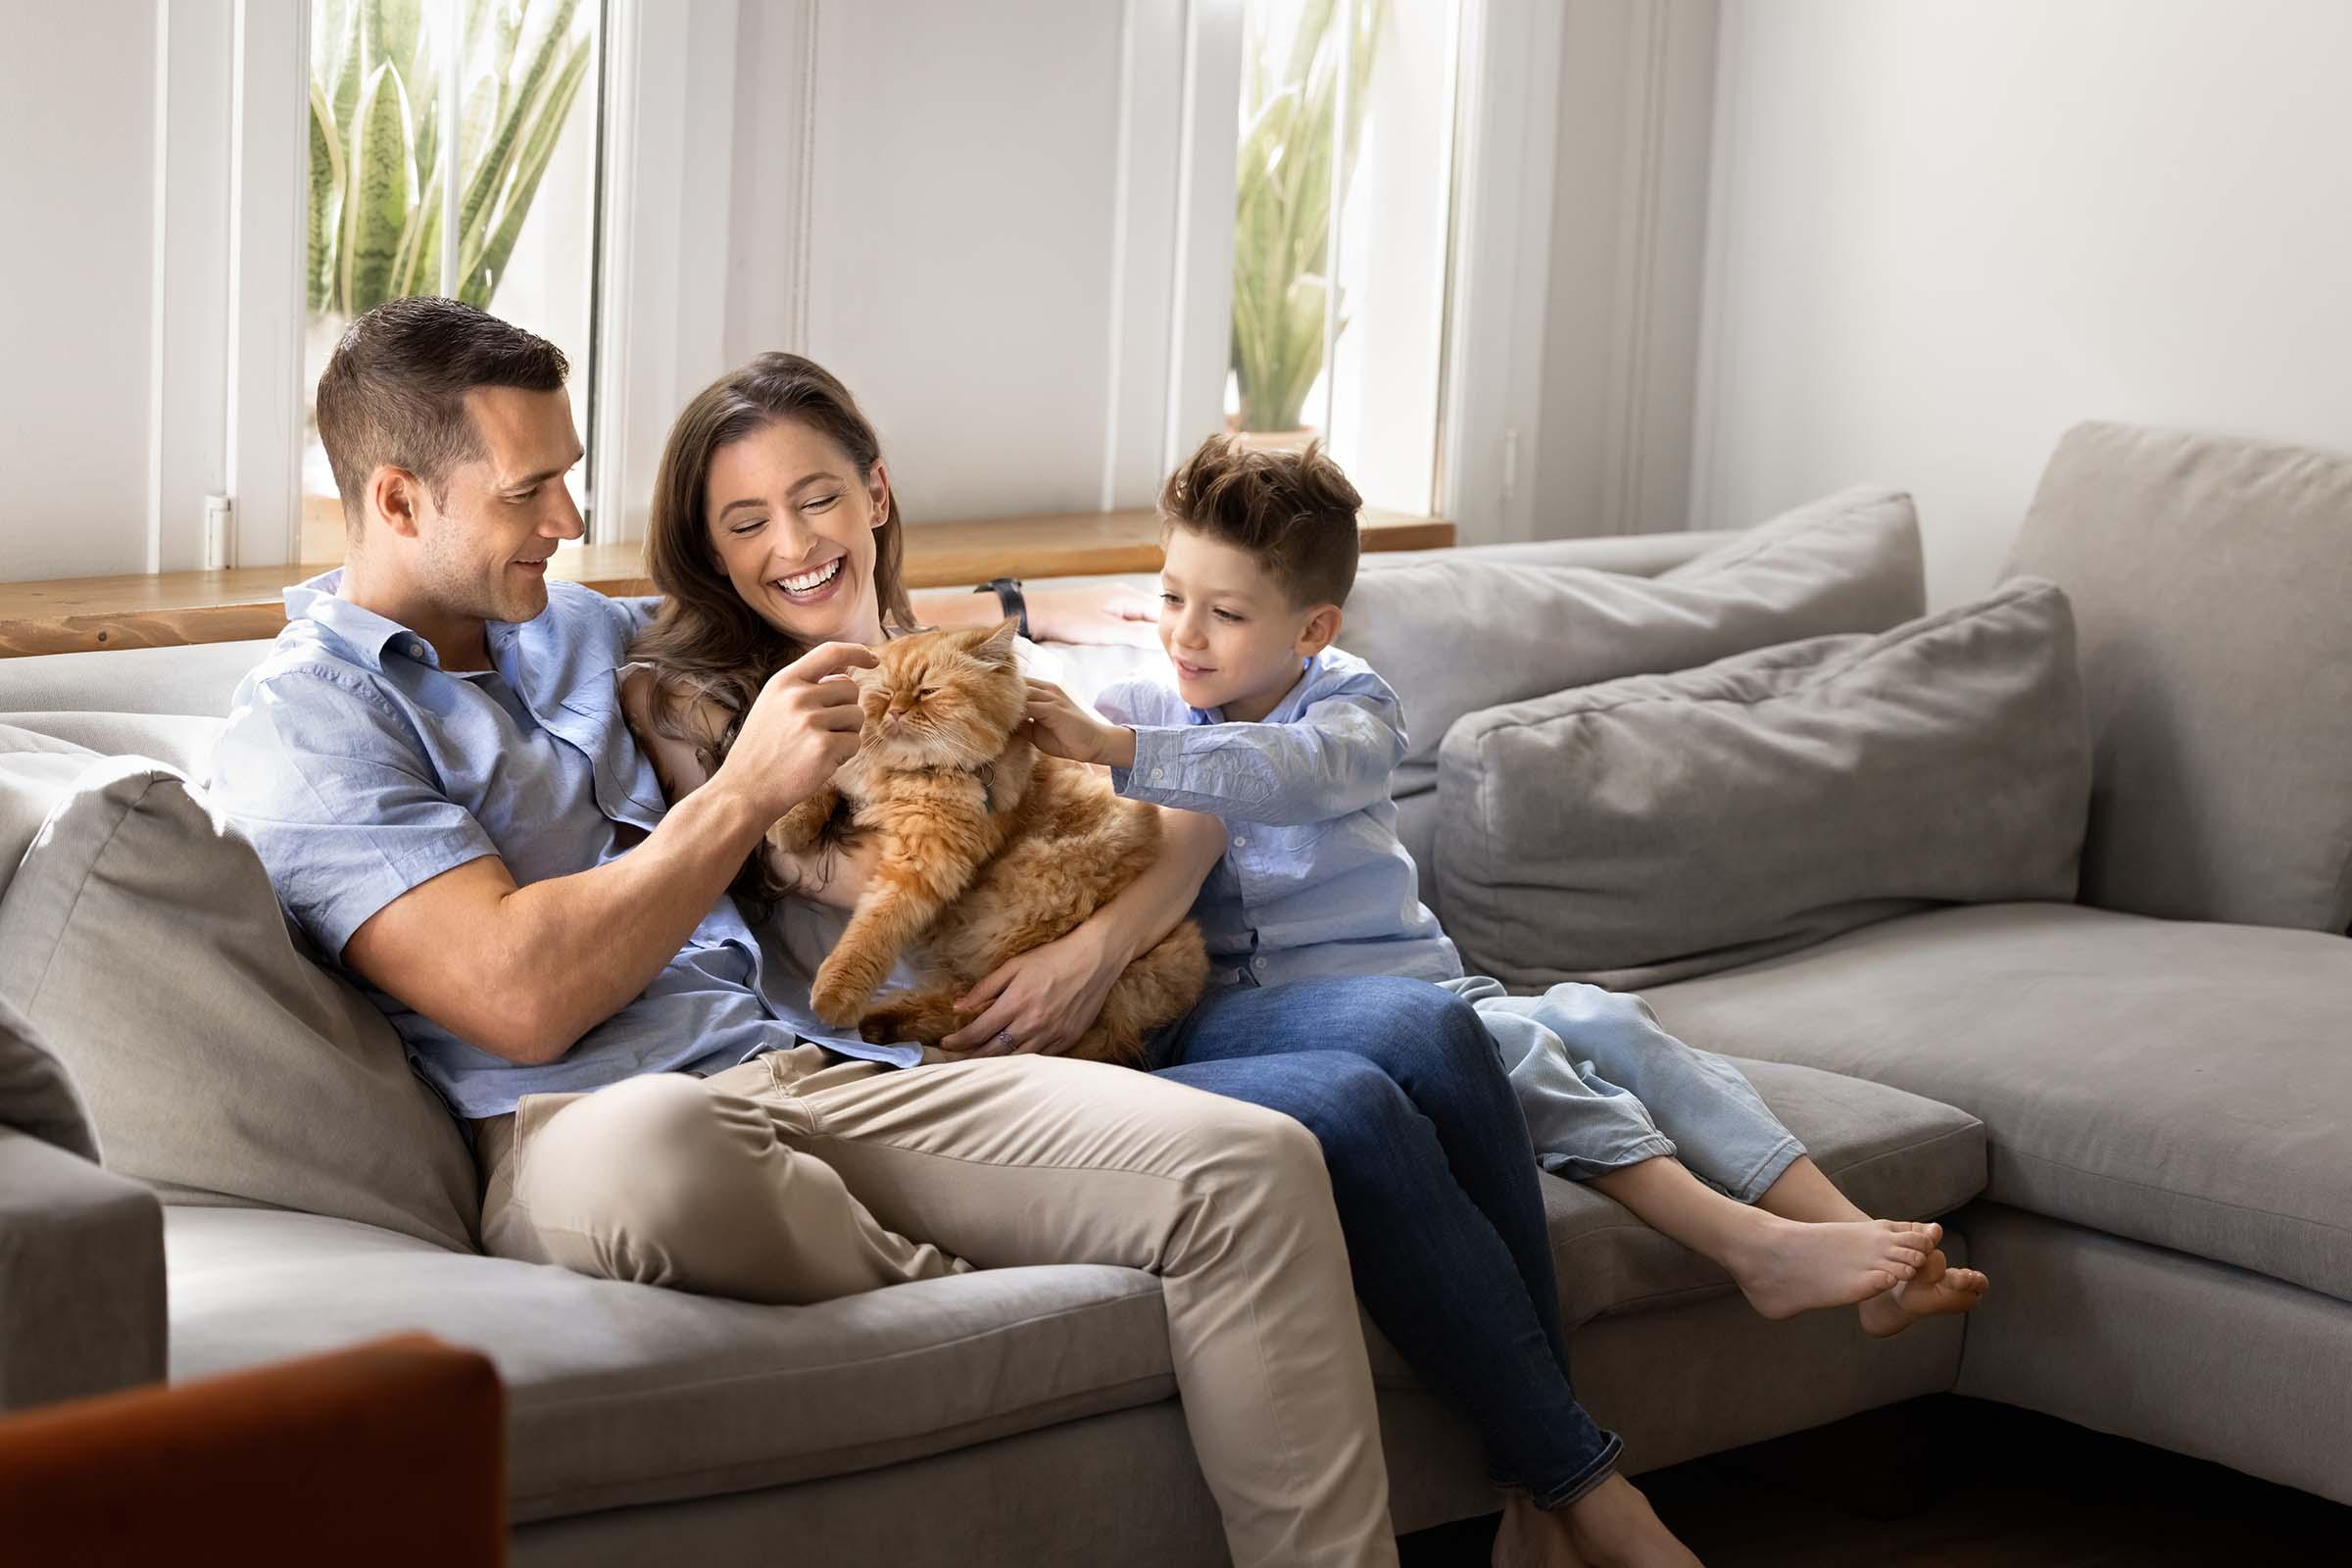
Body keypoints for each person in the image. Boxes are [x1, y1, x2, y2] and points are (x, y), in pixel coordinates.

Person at [205, 300, 1394, 1568]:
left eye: (570, 481)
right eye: (532, 490)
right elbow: (517, 995)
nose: (566, 521)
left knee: (1253, 1167)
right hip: (583, 1119)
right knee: (665, 1149)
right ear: (395, 501)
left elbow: (820, 603)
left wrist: (1082, 613)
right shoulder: (312, 724)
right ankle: (934, 1259)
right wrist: (736, 798)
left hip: (816, 1071)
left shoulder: (584, 634)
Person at [629, 354, 1710, 1568]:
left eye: (816, 495)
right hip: (968, 1055)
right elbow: (845, 876)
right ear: (713, 550)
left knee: (1439, 1033)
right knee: (1349, 1105)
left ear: (874, 494)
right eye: (746, 521)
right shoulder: (702, 706)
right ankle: (1583, 1486)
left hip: (1131, 1000)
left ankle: (1542, 1489)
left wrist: (1092, 949)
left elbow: (1187, 819)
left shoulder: (974, 654)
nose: (794, 541)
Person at [1021, 434, 1993, 1347]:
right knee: (1515, 1045)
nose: (1186, 636)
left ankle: (1865, 1251)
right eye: (1170, 598)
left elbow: (1290, 772)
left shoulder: (1352, 704)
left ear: (1313, 628)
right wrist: (1019, 619)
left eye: (1225, 614)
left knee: (1608, 1021)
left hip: (1427, 988)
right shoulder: (1140, 700)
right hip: (1302, 1024)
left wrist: (1120, 751)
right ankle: (1751, 1249)